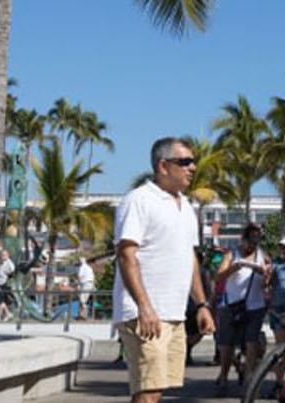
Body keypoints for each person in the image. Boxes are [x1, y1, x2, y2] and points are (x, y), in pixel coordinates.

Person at [112, 137, 216, 403]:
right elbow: (126, 255)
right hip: (144, 313)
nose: (192, 168)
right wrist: (144, 307)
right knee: (147, 391)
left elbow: (189, 259)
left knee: (156, 390)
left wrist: (202, 304)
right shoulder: (139, 200)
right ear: (163, 166)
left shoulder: (186, 208)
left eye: (193, 162)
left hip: (174, 313)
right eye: (185, 162)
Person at [214, 223, 270, 390]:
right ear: (243, 238)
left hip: (255, 306)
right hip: (230, 305)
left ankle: (248, 379)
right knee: (226, 345)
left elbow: (267, 283)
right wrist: (233, 268)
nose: (252, 244)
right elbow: (218, 277)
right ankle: (224, 376)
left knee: (251, 343)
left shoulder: (263, 256)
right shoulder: (232, 254)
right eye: (250, 239)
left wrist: (266, 276)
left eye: (256, 240)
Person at [0, 249, 15, 321]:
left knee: (0, 300)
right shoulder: (0, 263)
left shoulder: (9, 264)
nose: (2, 256)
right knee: (0, 300)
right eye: (1, 255)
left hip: (4, 285)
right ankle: (8, 314)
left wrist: (8, 282)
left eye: (4, 255)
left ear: (8, 255)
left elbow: (12, 274)